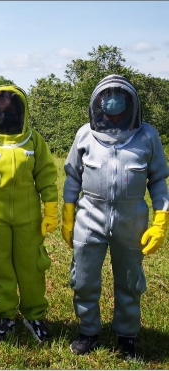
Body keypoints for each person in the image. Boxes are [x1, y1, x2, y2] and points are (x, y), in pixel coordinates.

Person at [62, 74, 169, 359]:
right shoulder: (85, 134)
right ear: (96, 102)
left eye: (119, 98)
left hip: (131, 217)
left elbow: (158, 180)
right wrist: (67, 212)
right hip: (89, 214)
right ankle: (88, 331)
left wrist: (161, 221)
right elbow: (73, 176)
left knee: (130, 280)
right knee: (83, 279)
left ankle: (126, 335)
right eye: (105, 97)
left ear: (131, 103)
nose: (111, 103)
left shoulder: (148, 135)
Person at [0, 85, 58, 343]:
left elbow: (47, 176)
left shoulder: (33, 139)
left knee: (32, 267)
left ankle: (34, 316)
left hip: (29, 219)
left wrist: (50, 209)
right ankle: (6, 315)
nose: (3, 114)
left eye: (9, 108)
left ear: (21, 109)